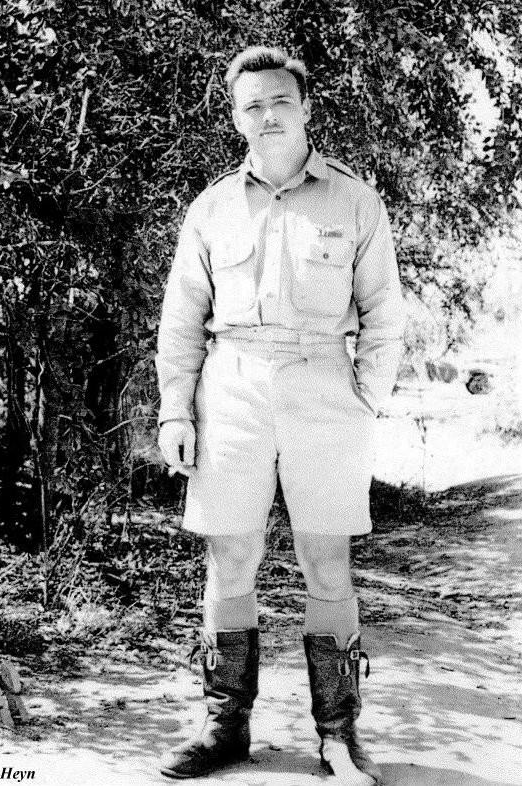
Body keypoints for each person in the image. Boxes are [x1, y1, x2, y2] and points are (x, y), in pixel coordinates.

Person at [155, 45, 405, 785]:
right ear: (236, 118)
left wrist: (366, 397)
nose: (265, 116)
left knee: (327, 563)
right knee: (229, 557)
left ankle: (337, 735)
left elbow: (384, 312)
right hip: (230, 388)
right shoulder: (211, 207)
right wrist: (177, 409)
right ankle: (225, 727)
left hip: (324, 387)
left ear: (303, 108)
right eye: (250, 106)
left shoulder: (355, 202)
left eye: (278, 102)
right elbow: (182, 319)